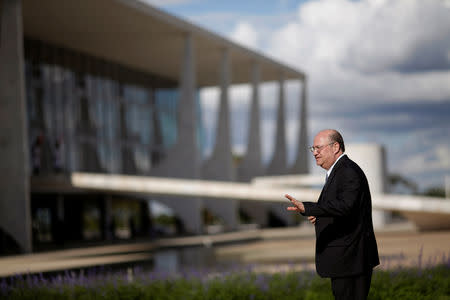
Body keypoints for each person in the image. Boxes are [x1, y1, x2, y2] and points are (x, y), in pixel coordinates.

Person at [286, 129, 379, 300]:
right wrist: (321, 216)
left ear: (335, 147)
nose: (315, 153)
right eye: (312, 149)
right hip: (347, 261)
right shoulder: (338, 172)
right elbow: (344, 209)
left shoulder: (348, 171)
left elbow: (345, 206)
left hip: (351, 260)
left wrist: (308, 208)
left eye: (318, 148)